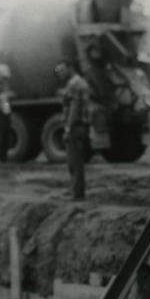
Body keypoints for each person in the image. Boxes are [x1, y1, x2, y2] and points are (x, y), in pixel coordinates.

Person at [56, 61, 90, 201]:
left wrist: (68, 128)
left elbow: (74, 107)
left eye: (62, 70)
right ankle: (76, 190)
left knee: (74, 162)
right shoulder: (81, 82)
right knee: (77, 161)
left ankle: (77, 194)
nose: (60, 73)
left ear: (71, 67)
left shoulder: (73, 84)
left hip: (75, 126)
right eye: (58, 71)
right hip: (82, 125)